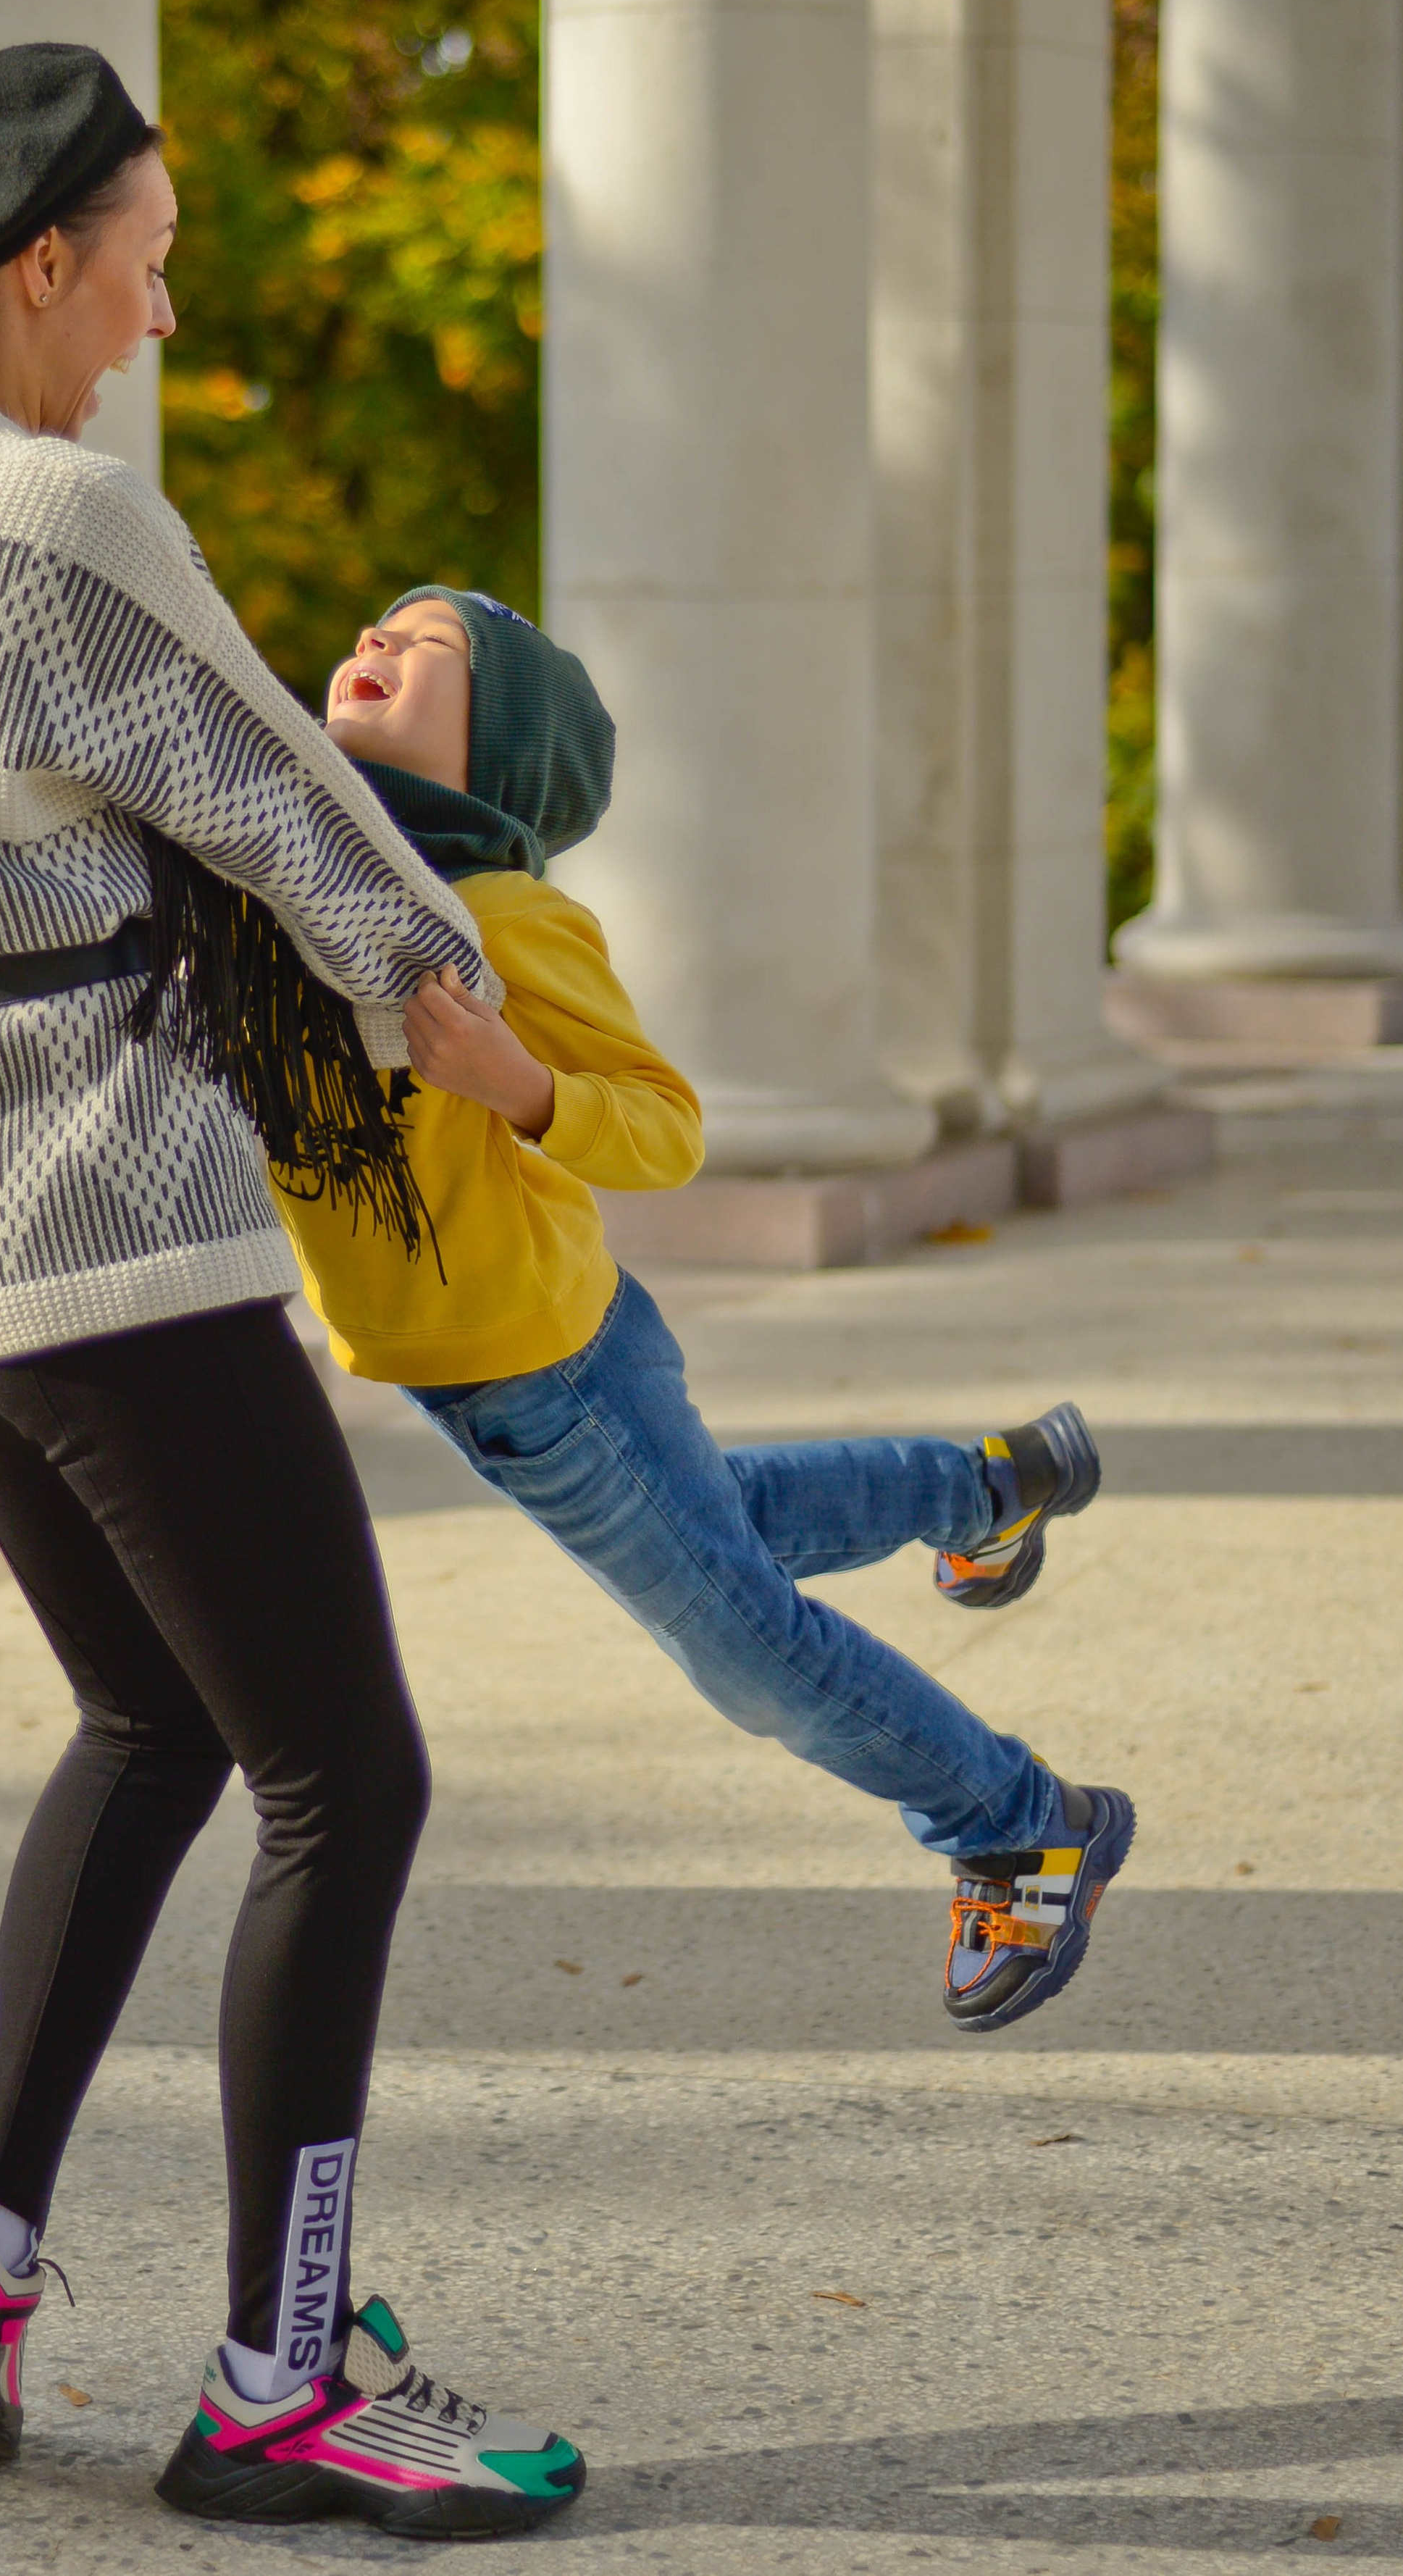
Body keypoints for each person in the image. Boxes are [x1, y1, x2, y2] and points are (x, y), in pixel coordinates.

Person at [0, 46, 582, 2540]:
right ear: (39, 263)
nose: (151, 307)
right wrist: (455, 1000)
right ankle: (280, 2375)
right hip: (116, 1223)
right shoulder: (64, 516)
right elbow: (295, 804)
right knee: (352, 1774)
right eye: (141, 254)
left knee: (147, 1717)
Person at [281, 585, 1135, 2033]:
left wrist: (520, 1087)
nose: (369, 647)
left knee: (743, 1644)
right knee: (714, 1524)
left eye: (423, 651)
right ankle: (983, 1487)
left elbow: (664, 1129)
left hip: (545, 1362)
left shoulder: (499, 915)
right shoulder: (311, 900)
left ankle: (1015, 1818)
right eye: (363, 630)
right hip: (471, 1371)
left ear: (497, 754)